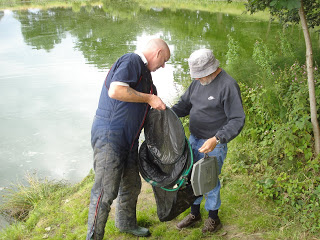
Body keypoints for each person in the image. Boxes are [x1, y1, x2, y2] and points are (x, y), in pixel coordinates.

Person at [86, 38, 170, 240]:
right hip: (110, 137)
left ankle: (126, 224)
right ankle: (93, 237)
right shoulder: (132, 61)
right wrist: (149, 98)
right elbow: (116, 90)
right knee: (105, 192)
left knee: (132, 185)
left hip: (130, 140)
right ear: (157, 53)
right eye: (164, 60)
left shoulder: (146, 77)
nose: (164, 65)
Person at [171, 49, 245, 233]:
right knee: (190, 178)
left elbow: (237, 119)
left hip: (214, 144)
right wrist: (166, 114)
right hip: (194, 139)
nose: (196, 79)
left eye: (199, 75)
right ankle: (195, 214)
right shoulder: (198, 83)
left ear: (211, 69)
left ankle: (214, 218)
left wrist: (217, 138)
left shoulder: (228, 85)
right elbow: (184, 105)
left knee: (208, 181)